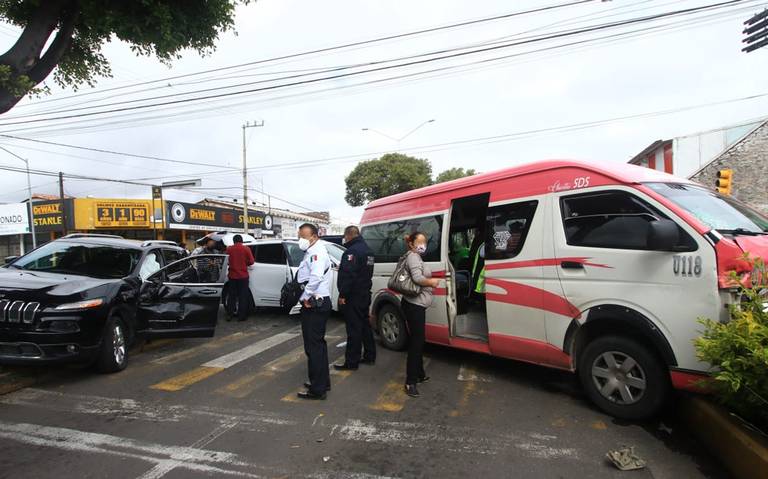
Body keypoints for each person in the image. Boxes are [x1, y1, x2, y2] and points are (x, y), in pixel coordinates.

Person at [401, 231, 441, 398]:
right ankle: (410, 382)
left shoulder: (416, 255)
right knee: (417, 343)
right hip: (413, 305)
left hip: (416, 304)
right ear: (412, 244)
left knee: (418, 340)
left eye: (425, 241)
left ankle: (420, 374)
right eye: (420, 241)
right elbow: (417, 278)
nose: (423, 244)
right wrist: (431, 282)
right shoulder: (413, 256)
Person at [296, 223, 333, 400]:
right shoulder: (312, 251)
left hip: (314, 303)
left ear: (314, 236)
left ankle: (318, 390)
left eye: (303, 236)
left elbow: (316, 277)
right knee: (319, 345)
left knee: (314, 347)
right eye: (299, 236)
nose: (300, 240)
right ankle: (322, 382)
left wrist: (305, 296)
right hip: (318, 301)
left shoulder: (316, 252)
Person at [334, 225, 376, 371]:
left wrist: (343, 295)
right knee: (365, 325)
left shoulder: (352, 251)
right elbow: (364, 272)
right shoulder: (368, 251)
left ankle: (352, 362)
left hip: (353, 296)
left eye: (345, 237)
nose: (345, 239)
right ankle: (370, 355)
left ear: (349, 235)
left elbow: (349, 275)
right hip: (365, 293)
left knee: (354, 329)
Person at [225, 234, 254, 322]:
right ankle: (241, 316)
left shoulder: (229, 249)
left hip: (232, 276)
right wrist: (245, 263)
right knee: (243, 296)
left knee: (232, 296)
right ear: (241, 241)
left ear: (234, 241)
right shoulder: (246, 249)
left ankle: (230, 314)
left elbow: (226, 261)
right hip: (243, 276)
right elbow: (252, 261)